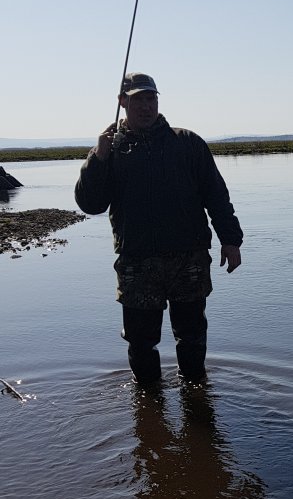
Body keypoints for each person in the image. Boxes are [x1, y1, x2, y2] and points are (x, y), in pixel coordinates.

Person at [75, 72, 243, 384]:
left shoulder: (187, 143)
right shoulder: (110, 150)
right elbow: (91, 204)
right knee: (140, 342)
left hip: (189, 258)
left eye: (150, 98)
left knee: (192, 336)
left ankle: (195, 397)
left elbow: (216, 196)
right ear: (122, 102)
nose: (146, 106)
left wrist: (231, 241)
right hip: (137, 262)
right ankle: (148, 396)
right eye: (137, 99)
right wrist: (98, 159)